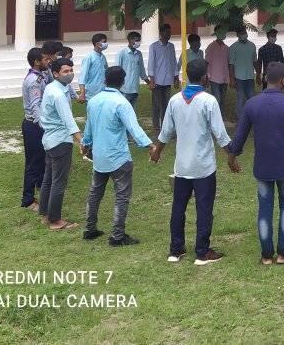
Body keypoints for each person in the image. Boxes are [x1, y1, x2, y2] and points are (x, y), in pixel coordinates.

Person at [227, 62, 284, 265]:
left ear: (265, 78)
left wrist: (231, 158)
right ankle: (283, 254)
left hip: (262, 166)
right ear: (283, 81)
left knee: (265, 208)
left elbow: (239, 137)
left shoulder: (251, 104)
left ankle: (266, 255)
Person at [151, 58, 232, 265]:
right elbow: (220, 134)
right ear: (205, 77)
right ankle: (202, 252)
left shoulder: (175, 100)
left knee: (178, 208)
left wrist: (157, 152)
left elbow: (165, 131)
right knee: (204, 209)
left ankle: (175, 250)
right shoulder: (208, 101)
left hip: (182, 166)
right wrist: (231, 157)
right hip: (203, 167)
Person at [82, 66, 154, 246]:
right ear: (123, 82)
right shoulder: (121, 102)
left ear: (104, 80)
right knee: (121, 196)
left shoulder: (94, 101)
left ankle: (90, 229)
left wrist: (86, 143)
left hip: (99, 156)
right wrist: (150, 145)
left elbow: (89, 128)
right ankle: (117, 236)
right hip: (118, 157)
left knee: (95, 193)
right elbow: (134, 128)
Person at [38, 57, 81, 230]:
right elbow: (68, 120)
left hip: (50, 140)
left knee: (49, 179)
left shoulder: (53, 87)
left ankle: (45, 213)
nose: (70, 74)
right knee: (58, 182)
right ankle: (55, 221)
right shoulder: (57, 94)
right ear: (55, 74)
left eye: (71, 70)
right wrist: (81, 141)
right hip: (59, 141)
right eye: (65, 71)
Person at [20, 47, 48, 211]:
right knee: (33, 162)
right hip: (34, 125)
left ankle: (42, 188)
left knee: (41, 160)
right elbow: (35, 105)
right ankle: (28, 199)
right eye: (45, 60)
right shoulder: (34, 81)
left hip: (36, 124)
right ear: (37, 62)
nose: (47, 62)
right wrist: (43, 126)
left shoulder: (40, 76)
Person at [147, 23, 178, 132]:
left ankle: (165, 125)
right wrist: (152, 80)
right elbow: (151, 64)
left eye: (170, 32)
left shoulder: (171, 46)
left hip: (168, 80)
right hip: (157, 80)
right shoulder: (154, 46)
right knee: (156, 104)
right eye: (167, 32)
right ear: (161, 33)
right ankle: (156, 126)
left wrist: (176, 77)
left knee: (166, 104)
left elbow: (174, 61)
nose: (169, 34)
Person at [228, 28, 257, 120]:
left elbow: (255, 61)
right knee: (240, 99)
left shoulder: (252, 45)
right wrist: (232, 79)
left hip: (250, 76)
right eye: (241, 33)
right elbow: (231, 64)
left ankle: (252, 117)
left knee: (251, 98)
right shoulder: (233, 47)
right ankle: (240, 119)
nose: (244, 35)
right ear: (237, 35)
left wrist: (258, 74)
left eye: (245, 33)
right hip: (239, 77)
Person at [116, 31, 147, 109]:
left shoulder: (139, 53)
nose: (138, 43)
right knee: (123, 110)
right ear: (130, 40)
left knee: (132, 110)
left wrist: (148, 82)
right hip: (124, 88)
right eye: (136, 40)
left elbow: (141, 69)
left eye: (139, 40)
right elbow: (117, 70)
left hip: (135, 88)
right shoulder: (122, 53)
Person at [78, 33, 109, 103]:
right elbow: (82, 76)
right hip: (91, 94)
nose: (106, 44)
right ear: (97, 44)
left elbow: (107, 71)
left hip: (103, 92)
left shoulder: (103, 57)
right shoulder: (89, 57)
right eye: (104, 42)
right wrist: (82, 93)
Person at [204, 27, 230, 110]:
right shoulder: (211, 47)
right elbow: (206, 62)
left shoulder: (227, 48)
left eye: (224, 32)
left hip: (225, 77)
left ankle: (221, 115)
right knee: (216, 99)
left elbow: (229, 63)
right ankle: (215, 115)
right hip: (214, 78)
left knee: (222, 99)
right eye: (221, 32)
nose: (223, 34)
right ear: (216, 33)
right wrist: (207, 76)